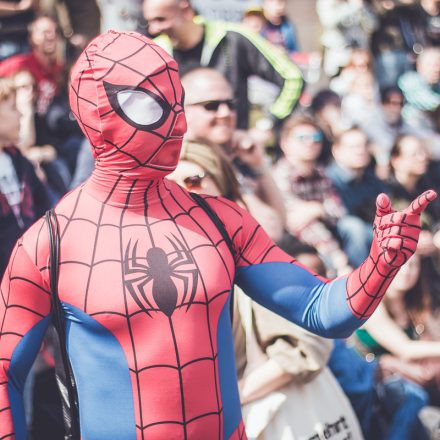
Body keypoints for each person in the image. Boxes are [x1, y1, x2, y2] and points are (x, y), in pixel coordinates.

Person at [0, 30, 436, 439]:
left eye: (177, 102)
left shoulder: (218, 219)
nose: (176, 124)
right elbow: (6, 374)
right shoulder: (48, 246)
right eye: (148, 104)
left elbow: (322, 309)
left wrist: (382, 262)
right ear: (97, 113)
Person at [143, 0, 303, 129]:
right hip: (183, 158)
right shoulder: (155, 51)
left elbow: (292, 77)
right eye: (149, 21)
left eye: (161, 19)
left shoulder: (233, 38)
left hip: (233, 154)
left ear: (185, 10)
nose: (154, 28)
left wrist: (267, 126)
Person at [181, 66, 286, 237]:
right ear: (184, 111)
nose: (225, 113)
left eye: (230, 104)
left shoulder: (232, 155)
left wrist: (258, 165)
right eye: (211, 106)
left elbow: (281, 221)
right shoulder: (187, 167)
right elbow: (270, 231)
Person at [0, 77, 50, 279]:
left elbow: (44, 207)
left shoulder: (18, 160)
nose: (21, 114)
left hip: (31, 270)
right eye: (13, 108)